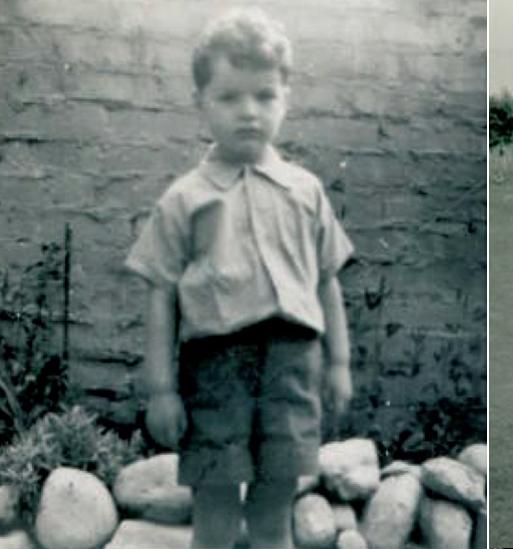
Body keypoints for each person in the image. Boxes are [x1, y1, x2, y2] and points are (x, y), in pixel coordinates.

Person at [124, 8, 354, 548]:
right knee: (217, 500)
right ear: (200, 104)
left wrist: (340, 363)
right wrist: (161, 390)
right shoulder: (185, 199)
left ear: (286, 99)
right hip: (215, 369)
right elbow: (160, 292)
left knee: (276, 497)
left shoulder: (305, 191)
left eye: (264, 96)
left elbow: (326, 281)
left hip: (293, 366)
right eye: (229, 98)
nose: (249, 112)